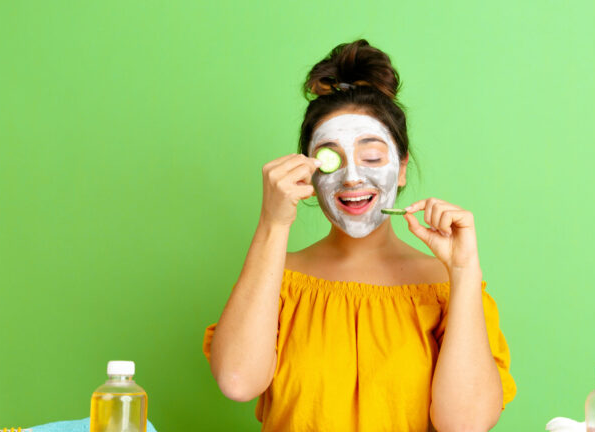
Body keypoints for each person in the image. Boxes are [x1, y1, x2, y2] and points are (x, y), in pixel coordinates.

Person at [202, 39, 516, 431]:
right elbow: (237, 381)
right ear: (310, 172)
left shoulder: (445, 288)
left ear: (401, 168)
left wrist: (464, 270)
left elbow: (466, 424)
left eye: (371, 157)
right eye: (332, 158)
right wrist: (272, 223)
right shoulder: (278, 281)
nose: (352, 177)